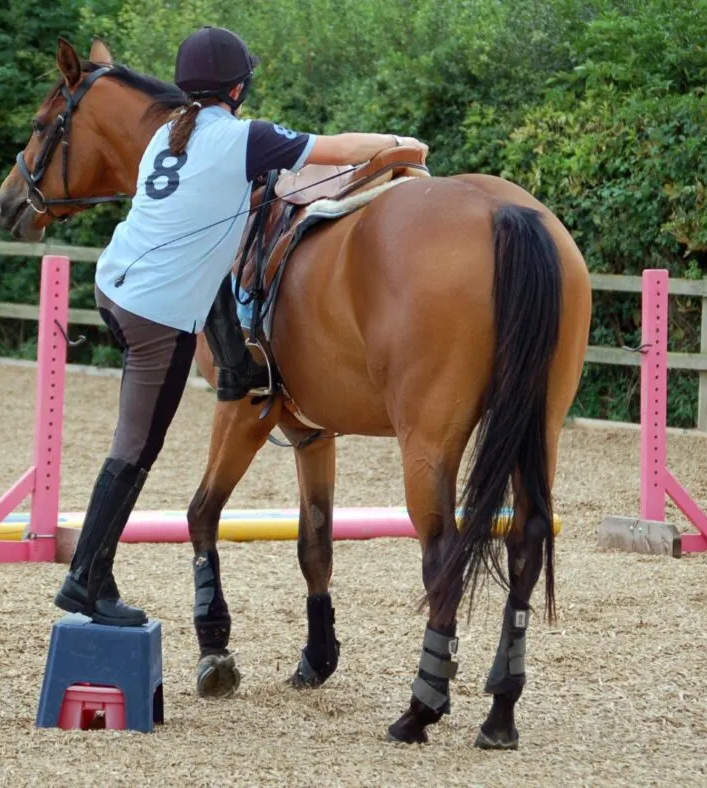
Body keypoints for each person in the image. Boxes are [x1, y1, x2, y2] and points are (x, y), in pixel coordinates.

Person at [54, 25, 429, 626]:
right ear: (237, 88)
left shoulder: (167, 135)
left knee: (139, 436)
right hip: (156, 314)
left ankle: (239, 369)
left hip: (115, 287)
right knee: (136, 445)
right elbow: (337, 149)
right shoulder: (242, 138)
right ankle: (85, 582)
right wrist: (399, 142)